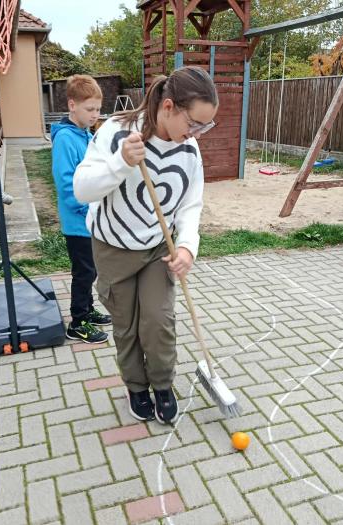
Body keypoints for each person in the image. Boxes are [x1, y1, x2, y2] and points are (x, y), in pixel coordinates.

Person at [74, 66, 218, 424]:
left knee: (158, 321)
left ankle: (162, 385)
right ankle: (136, 387)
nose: (196, 134)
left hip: (158, 248)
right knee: (126, 327)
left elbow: (190, 205)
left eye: (205, 127)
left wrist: (187, 247)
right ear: (169, 107)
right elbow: (82, 190)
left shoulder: (189, 150)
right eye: (194, 124)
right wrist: (120, 163)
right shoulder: (116, 132)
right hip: (113, 247)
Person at [51, 75, 112, 344]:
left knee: (92, 270)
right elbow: (67, 185)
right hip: (78, 222)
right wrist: (88, 208)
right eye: (90, 109)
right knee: (84, 272)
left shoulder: (86, 134)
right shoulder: (66, 139)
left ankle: (88, 310)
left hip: (91, 220)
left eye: (98, 109)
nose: (95, 114)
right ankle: (77, 322)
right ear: (72, 105)